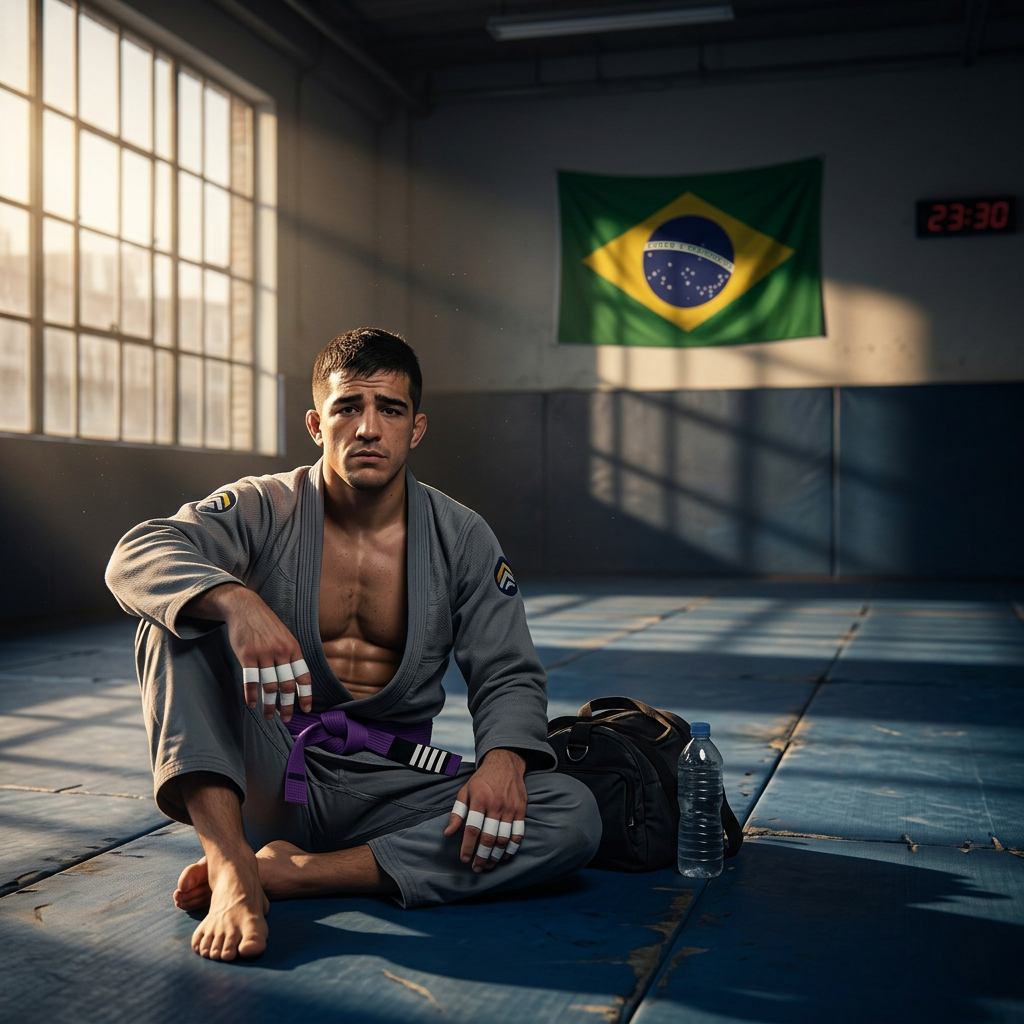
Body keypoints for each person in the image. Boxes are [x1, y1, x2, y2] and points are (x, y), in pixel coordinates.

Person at [105, 328, 601, 962]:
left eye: (389, 410)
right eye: (348, 408)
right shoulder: (265, 507)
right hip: (270, 771)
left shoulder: (462, 536)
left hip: (390, 786)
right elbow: (136, 554)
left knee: (571, 813)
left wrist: (505, 759)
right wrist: (236, 601)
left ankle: (297, 874)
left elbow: (506, 669)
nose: (368, 428)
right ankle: (231, 865)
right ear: (317, 423)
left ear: (415, 429)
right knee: (174, 623)